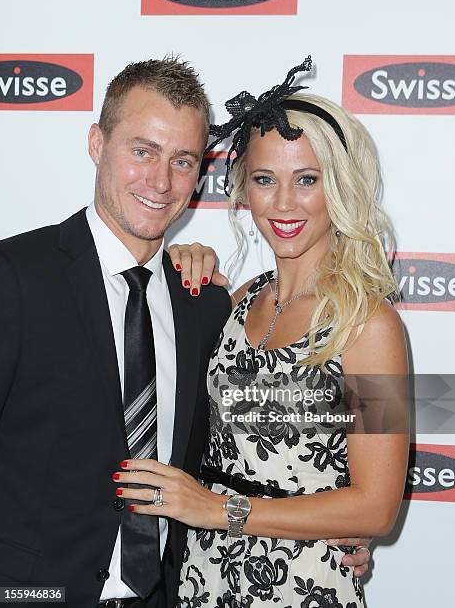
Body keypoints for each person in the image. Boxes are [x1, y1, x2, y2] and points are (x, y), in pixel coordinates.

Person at [113, 58, 409, 607]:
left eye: (308, 180)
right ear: (243, 189)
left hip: (302, 584)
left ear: (338, 188)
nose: (285, 203)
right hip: (202, 575)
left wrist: (220, 510)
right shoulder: (238, 299)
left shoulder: (369, 325)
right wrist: (175, 262)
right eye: (265, 180)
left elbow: (376, 507)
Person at [0, 57, 232, 608]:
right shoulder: (14, 278)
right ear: (97, 142)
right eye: (142, 150)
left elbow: (240, 453)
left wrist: (340, 523)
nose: (160, 181)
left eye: (182, 160)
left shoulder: (206, 303)